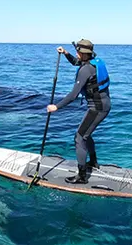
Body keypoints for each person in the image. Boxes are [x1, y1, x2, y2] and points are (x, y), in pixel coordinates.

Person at [46, 39, 111, 184]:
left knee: (79, 137)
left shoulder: (85, 70)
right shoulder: (93, 62)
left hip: (97, 107)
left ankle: (82, 176)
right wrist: (66, 54)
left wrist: (56, 106)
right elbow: (77, 62)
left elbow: (73, 95)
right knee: (86, 134)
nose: (77, 53)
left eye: (78, 52)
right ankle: (93, 162)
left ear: (82, 53)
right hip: (103, 104)